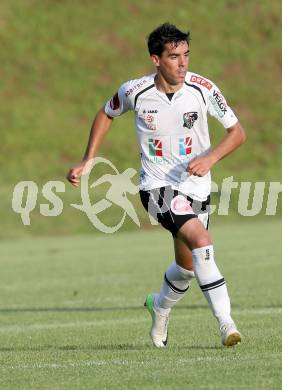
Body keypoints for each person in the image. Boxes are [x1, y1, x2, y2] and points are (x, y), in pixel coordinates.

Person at [67, 23, 246, 347]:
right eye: (174, 56)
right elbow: (106, 114)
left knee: (188, 267)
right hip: (157, 187)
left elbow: (238, 133)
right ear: (156, 60)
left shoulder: (203, 89)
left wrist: (211, 159)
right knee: (202, 240)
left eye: (186, 55)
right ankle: (226, 324)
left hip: (197, 187)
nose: (183, 63)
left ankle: (159, 308)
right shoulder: (135, 91)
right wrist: (88, 159)